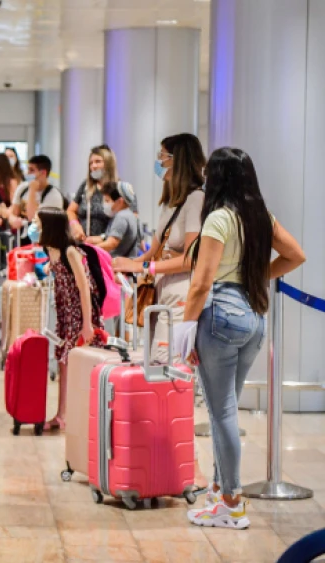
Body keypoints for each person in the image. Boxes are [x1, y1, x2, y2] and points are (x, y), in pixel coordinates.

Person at [173, 147, 305, 530]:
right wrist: (257, 276)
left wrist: (185, 327)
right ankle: (219, 489)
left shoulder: (218, 218)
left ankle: (231, 501)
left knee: (222, 412)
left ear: (217, 177)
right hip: (253, 316)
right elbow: (296, 255)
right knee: (225, 409)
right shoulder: (261, 216)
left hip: (219, 316)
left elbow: (201, 282)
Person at [113, 133, 206, 361]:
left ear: (178, 160)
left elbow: (190, 259)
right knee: (156, 360)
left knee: (169, 363)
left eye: (162, 156)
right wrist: (127, 265)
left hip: (181, 293)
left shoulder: (195, 200)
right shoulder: (170, 202)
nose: (159, 161)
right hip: (161, 291)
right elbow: (154, 251)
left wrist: (145, 267)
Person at [36, 208, 105, 431]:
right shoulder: (51, 249)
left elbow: (84, 289)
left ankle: (83, 415)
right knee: (63, 361)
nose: (36, 227)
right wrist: (48, 267)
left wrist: (87, 324)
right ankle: (62, 414)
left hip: (80, 313)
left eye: (39, 223)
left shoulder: (71, 252)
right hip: (66, 313)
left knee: (76, 362)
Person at [67, 144, 136, 240]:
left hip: (108, 247)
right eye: (91, 163)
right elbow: (71, 210)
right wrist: (75, 225)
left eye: (98, 162)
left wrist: (103, 238)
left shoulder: (121, 189)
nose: (93, 166)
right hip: (84, 244)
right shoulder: (86, 186)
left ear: (108, 164)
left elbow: (131, 221)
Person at [86, 182, 140, 259]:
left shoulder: (121, 217)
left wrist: (89, 250)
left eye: (107, 201)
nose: (106, 204)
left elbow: (111, 243)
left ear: (120, 201)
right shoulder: (130, 215)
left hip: (119, 265)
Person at [9, 155, 65, 228]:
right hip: (21, 235)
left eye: (31, 170)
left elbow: (32, 218)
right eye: (28, 169)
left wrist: (32, 191)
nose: (27, 173)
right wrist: (13, 220)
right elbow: (13, 212)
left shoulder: (53, 195)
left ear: (43, 173)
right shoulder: (22, 188)